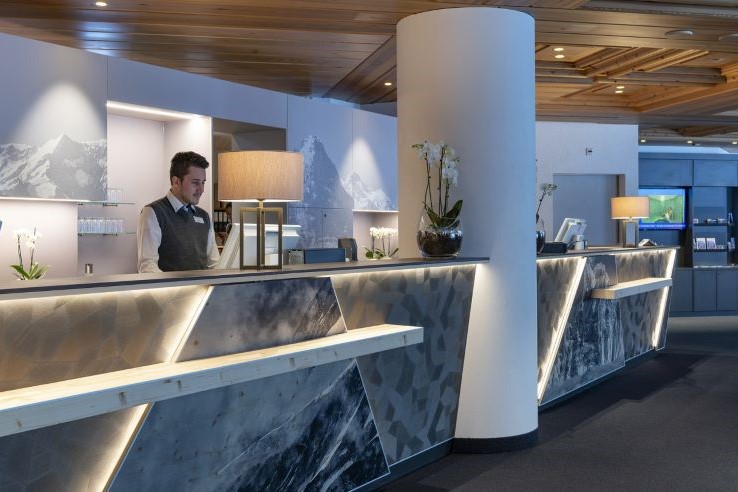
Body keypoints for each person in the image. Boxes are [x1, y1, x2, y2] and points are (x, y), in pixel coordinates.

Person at [137, 151, 220, 272]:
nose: (201, 189)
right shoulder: (153, 212)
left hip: (203, 285)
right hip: (170, 285)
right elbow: (147, 266)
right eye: (195, 182)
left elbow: (215, 264)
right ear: (176, 182)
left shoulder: (204, 216)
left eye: (203, 183)